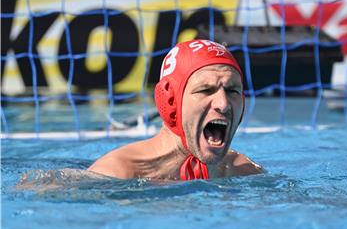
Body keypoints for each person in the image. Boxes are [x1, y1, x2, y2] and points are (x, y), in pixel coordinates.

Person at [88, 39, 263, 180]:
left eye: (232, 91)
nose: (223, 104)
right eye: (205, 90)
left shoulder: (244, 170)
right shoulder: (116, 172)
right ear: (171, 101)